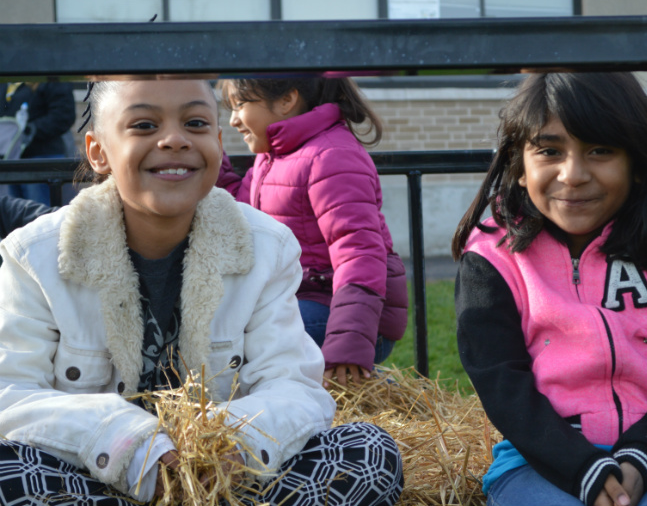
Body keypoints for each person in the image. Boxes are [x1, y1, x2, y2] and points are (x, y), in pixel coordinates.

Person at [0, 78, 403, 505]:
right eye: (143, 126)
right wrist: (129, 445)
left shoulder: (267, 245)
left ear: (217, 140)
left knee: (369, 452)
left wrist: (229, 446)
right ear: (98, 151)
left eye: (194, 123)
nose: (174, 140)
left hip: (229, 482)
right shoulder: (35, 254)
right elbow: (11, 392)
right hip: (97, 476)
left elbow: (296, 388)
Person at [452, 72, 647, 506]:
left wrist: (641, 461)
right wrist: (581, 467)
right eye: (550, 151)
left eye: (600, 150)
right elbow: (501, 382)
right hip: (535, 463)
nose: (573, 174)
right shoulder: (491, 258)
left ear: (638, 165)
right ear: (519, 166)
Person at [216, 76, 408, 388]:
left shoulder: (331, 156)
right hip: (306, 301)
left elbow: (359, 255)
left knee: (239, 343)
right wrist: (208, 152)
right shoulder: (275, 157)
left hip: (342, 317)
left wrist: (347, 343)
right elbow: (240, 207)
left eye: (240, 105)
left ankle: (372, 382)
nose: (234, 119)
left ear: (286, 101)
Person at [0, 81, 76, 205]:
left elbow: (63, 115)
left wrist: (31, 130)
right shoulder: (7, 79)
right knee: (13, 217)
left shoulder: (49, 75)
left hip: (41, 159)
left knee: (40, 215)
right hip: (11, 161)